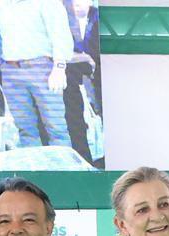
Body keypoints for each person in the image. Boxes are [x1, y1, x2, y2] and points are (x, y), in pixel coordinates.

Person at [0, 0, 74, 149]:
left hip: (42, 68)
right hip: (10, 71)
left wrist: (59, 68)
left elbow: (60, 34)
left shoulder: (47, 3)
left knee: (56, 127)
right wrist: (1, 64)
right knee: (25, 129)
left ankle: (62, 170)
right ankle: (32, 170)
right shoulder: (1, 7)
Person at [61, 0, 101, 166]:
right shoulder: (59, 19)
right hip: (71, 80)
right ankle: (84, 160)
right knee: (76, 122)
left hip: (98, 78)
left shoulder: (99, 17)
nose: (76, 4)